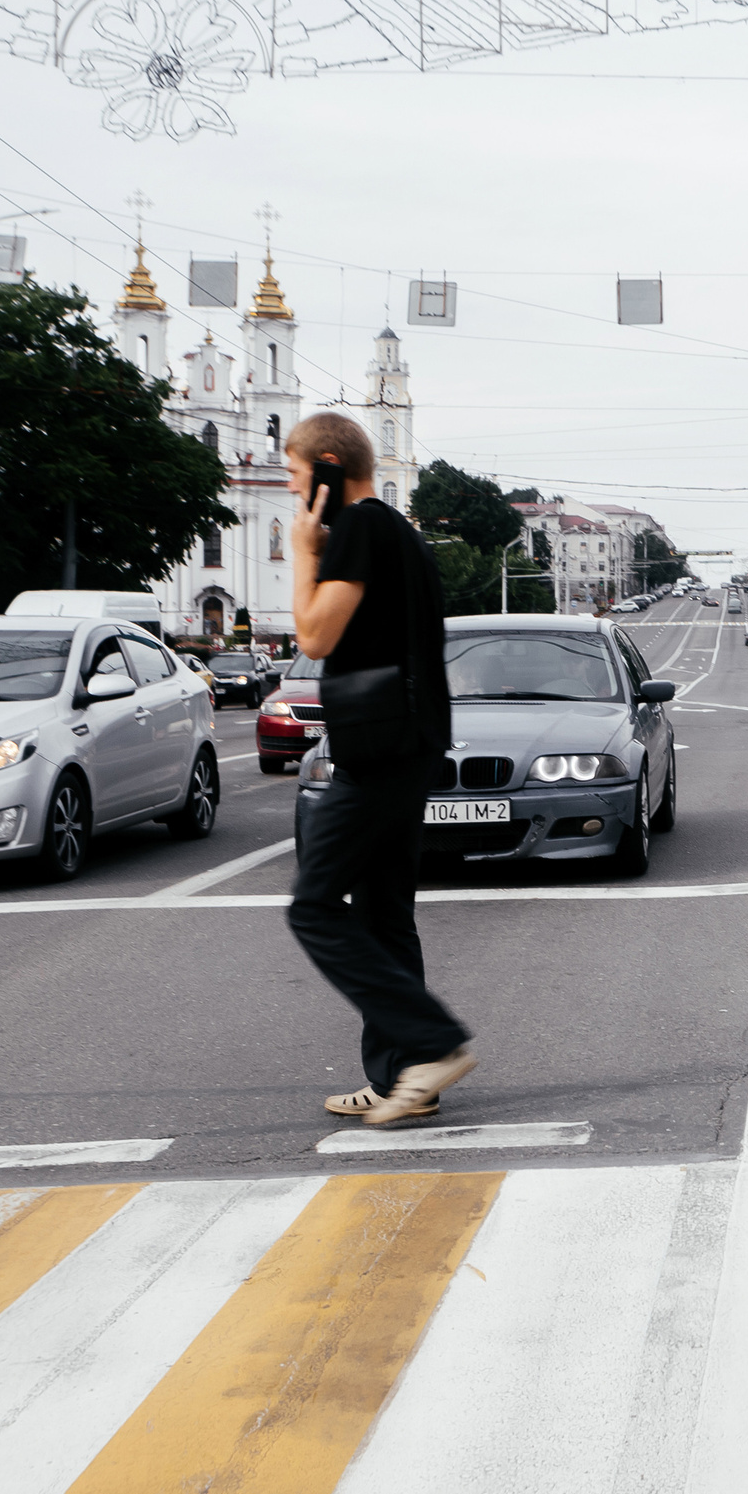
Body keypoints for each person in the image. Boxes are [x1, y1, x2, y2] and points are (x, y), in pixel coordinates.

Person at [283, 412, 477, 1125]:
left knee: (312, 905)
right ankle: (403, 1074)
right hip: (413, 738)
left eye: (299, 477)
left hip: (379, 746)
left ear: (330, 467)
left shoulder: (360, 528)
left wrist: (305, 551)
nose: (296, 493)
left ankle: (432, 1044)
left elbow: (313, 633)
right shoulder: (401, 533)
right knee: (384, 913)